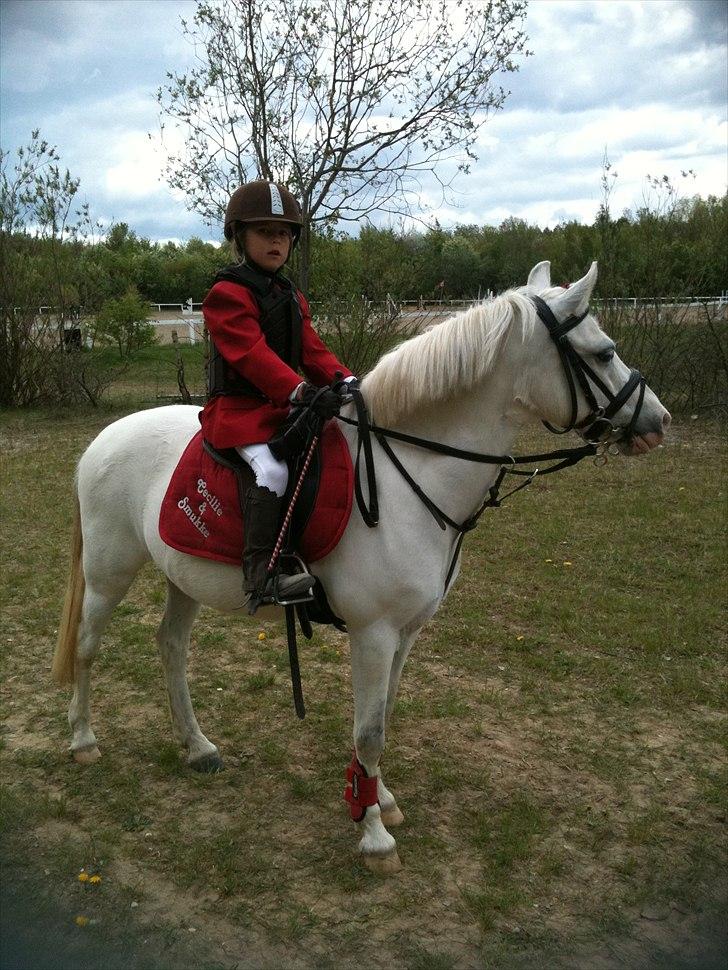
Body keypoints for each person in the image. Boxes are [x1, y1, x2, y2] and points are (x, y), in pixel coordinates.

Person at [199, 180, 355, 613]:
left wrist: (347, 381)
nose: (276, 241)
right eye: (265, 231)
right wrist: (300, 390)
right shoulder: (226, 294)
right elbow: (251, 355)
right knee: (271, 471)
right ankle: (262, 575)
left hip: (283, 407)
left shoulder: (291, 296)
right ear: (240, 237)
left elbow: (313, 350)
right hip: (238, 412)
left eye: (283, 233)